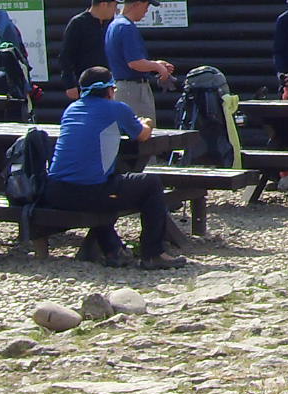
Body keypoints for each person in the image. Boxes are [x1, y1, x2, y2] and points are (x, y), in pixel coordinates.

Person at [44, 68, 184, 271]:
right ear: (110, 90)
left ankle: (113, 250)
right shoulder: (116, 108)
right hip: (87, 193)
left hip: (56, 192)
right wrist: (147, 122)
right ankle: (154, 253)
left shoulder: (72, 109)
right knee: (150, 183)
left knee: (105, 183)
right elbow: (142, 135)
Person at [105, 0, 176, 125]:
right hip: (132, 90)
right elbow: (134, 63)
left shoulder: (115, 24)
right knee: (143, 135)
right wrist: (157, 67)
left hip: (122, 87)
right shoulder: (126, 27)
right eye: (146, 6)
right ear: (137, 4)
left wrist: (155, 64)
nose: (146, 11)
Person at [60, 0, 122, 98]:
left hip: (109, 85)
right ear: (104, 4)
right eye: (114, 5)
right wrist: (70, 85)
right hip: (85, 87)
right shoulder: (78, 23)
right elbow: (65, 56)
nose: (116, 10)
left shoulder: (112, 23)